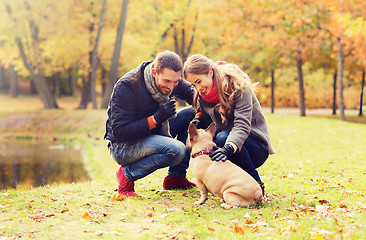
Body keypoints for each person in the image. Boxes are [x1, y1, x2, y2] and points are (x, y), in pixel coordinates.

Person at [104, 50, 196, 196]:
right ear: (154, 72)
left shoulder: (170, 79)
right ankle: (126, 174)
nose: (172, 87)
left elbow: (193, 94)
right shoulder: (128, 86)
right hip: (122, 145)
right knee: (177, 150)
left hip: (153, 133)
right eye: (167, 81)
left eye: (176, 82)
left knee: (192, 114)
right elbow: (120, 132)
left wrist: (210, 106)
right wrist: (156, 118)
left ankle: (176, 178)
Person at [183, 54, 275, 194]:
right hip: (227, 143)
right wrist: (199, 120)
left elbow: (242, 125)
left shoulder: (239, 87)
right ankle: (224, 186)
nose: (198, 88)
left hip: (254, 147)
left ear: (210, 72)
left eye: (199, 81)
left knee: (222, 137)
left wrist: (227, 148)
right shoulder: (203, 94)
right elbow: (207, 117)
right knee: (218, 137)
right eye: (193, 85)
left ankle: (256, 181)